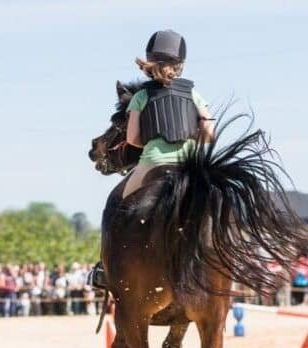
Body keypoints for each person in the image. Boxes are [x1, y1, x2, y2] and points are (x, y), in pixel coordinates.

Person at [90, 29, 215, 290]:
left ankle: (104, 267)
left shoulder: (141, 96)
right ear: (180, 65)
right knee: (216, 208)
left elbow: (134, 139)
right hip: (191, 168)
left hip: (152, 164)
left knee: (115, 205)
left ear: (149, 63)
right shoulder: (193, 94)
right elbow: (209, 135)